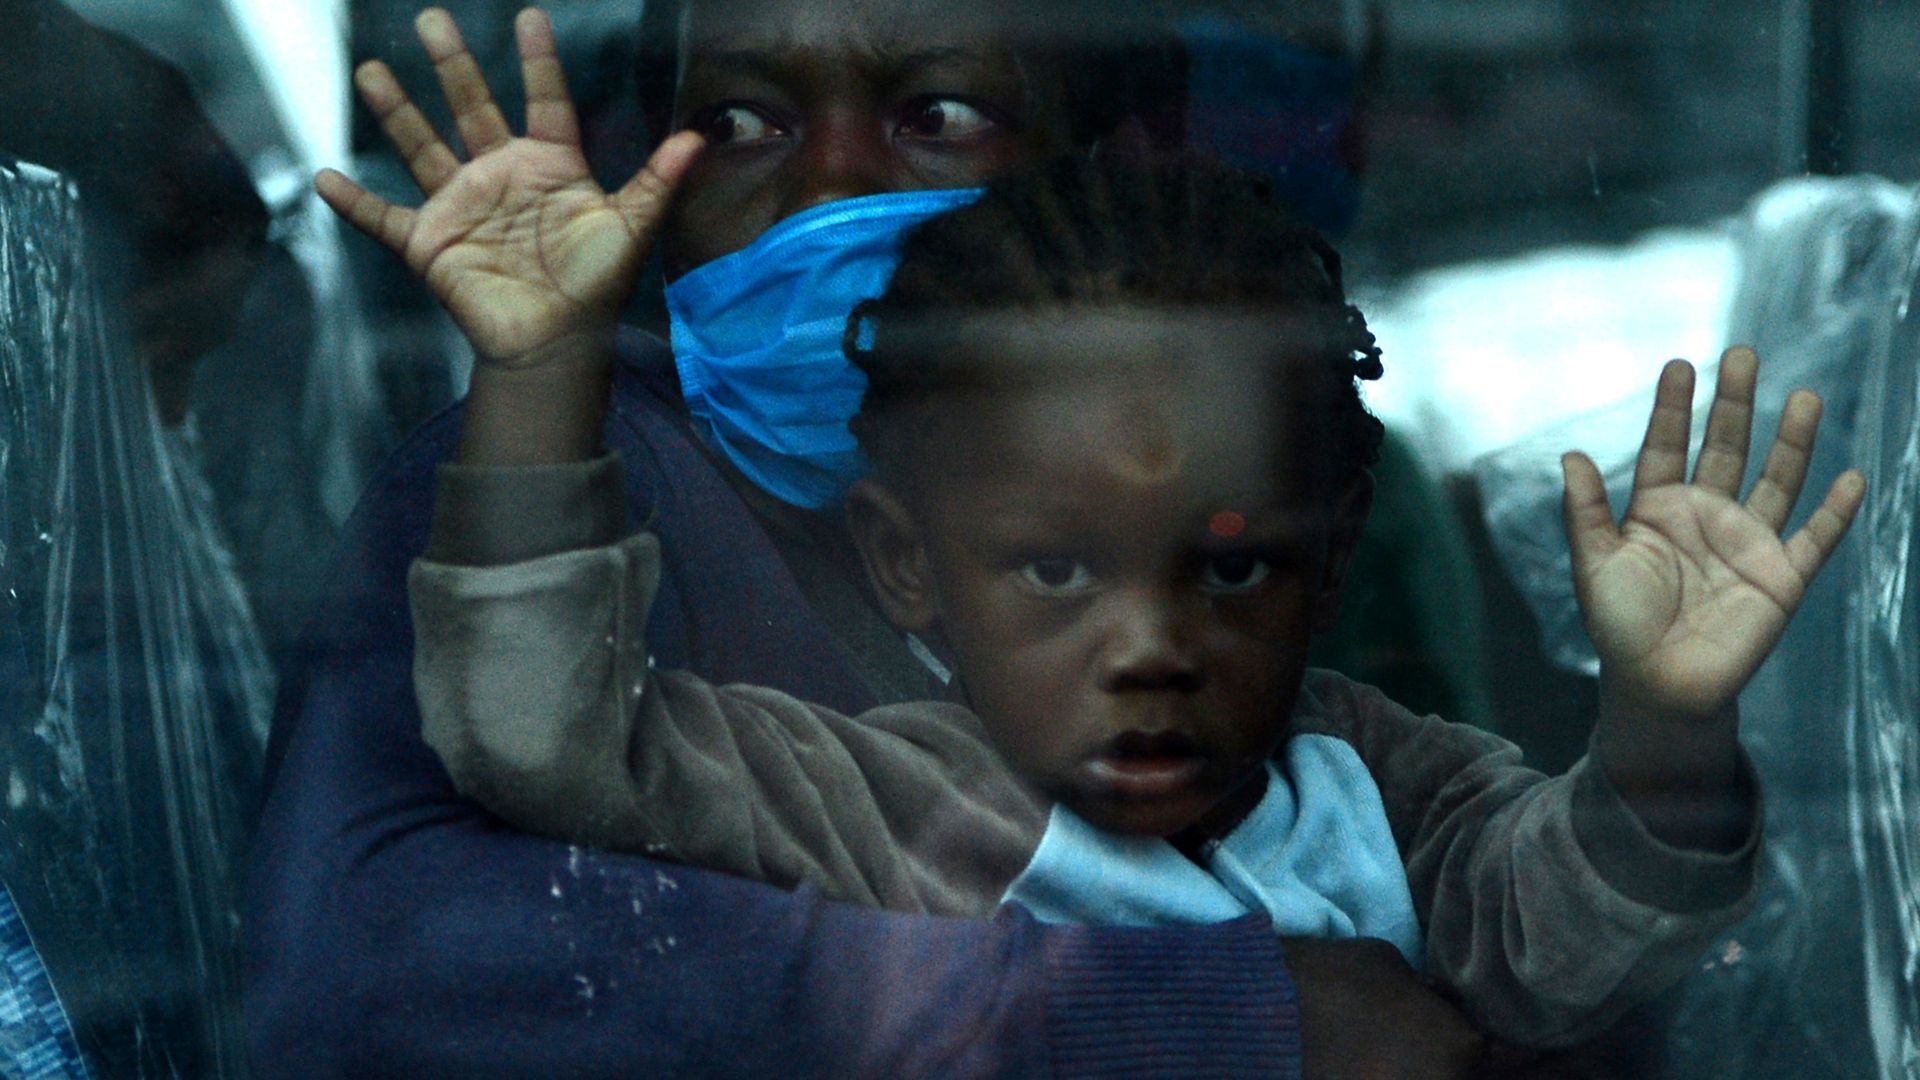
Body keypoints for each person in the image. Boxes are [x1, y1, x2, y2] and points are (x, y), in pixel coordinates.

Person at [249, 6, 1483, 1076]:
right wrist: (1203, 1024)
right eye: (741, 123)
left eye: (936, 113)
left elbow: (1546, 909)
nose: (829, 187)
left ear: (1121, 160)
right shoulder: (552, 495)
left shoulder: (1253, 530)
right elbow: (378, 977)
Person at [409, 155, 1864, 1051]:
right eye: (1055, 569)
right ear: (908, 561)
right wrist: (540, 380)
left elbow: (1574, 935)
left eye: (1233, 568)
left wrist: (1668, 720)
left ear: (1333, 552)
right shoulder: (861, 797)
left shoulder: (1380, 782)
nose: (1155, 648)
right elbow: (541, 737)